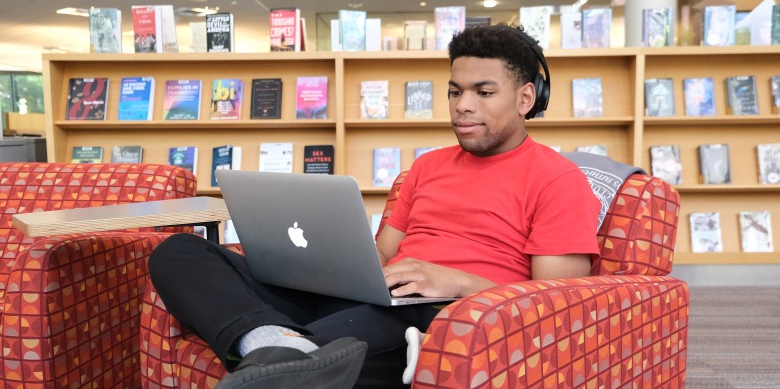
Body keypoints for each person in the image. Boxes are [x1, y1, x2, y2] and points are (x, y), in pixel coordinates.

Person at [148, 23, 601, 389]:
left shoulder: (557, 179)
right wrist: (322, 265)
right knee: (181, 252)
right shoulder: (427, 168)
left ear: (526, 99)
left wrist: (457, 281)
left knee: (367, 326)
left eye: (483, 93)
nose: (462, 106)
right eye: (454, 90)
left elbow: (557, 303)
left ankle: (287, 356)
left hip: (443, 313)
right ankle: (279, 345)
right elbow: (384, 254)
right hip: (374, 298)